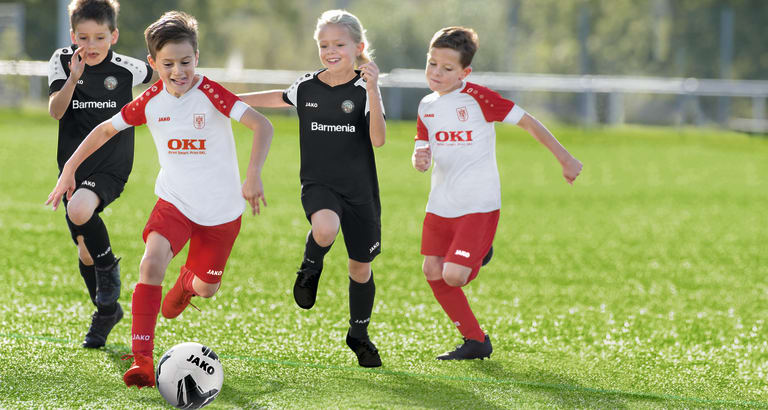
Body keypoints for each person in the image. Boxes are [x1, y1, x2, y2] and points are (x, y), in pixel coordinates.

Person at [46, 10, 274, 388]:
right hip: (174, 203)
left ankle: (187, 284)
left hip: (220, 214)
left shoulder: (213, 93)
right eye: (168, 64)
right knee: (150, 265)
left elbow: (261, 124)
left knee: (207, 288)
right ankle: (143, 362)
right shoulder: (150, 100)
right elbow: (104, 129)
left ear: (196, 58)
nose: (178, 71)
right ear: (153, 64)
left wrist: (252, 175)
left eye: (186, 62)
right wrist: (70, 168)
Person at [412, 27, 583, 360]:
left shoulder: (479, 98)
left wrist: (566, 158)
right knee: (432, 271)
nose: (437, 73)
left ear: (465, 72)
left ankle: (479, 251)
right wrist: (420, 157)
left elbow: (529, 122)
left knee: (454, 275)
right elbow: (422, 147)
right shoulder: (426, 105)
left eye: (447, 69)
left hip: (478, 202)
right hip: (441, 203)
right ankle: (475, 341)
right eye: (432, 64)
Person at [238, 9, 385, 368]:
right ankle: (310, 266)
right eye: (323, 44)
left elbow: (379, 140)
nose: (330, 51)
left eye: (339, 44)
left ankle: (358, 334)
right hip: (319, 185)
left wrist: (374, 89)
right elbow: (279, 97)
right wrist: (229, 100)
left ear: (358, 46)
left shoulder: (363, 90)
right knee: (325, 227)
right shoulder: (307, 85)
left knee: (359, 269)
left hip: (360, 192)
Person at [47, 0, 154, 350]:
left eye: (99, 37)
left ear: (114, 35)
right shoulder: (62, 61)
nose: (91, 45)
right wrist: (74, 78)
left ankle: (110, 279)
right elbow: (56, 111)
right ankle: (107, 310)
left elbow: (167, 76)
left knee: (79, 210)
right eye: (83, 37)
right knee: (84, 251)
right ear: (72, 35)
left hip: (112, 162)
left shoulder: (130, 68)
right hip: (73, 166)